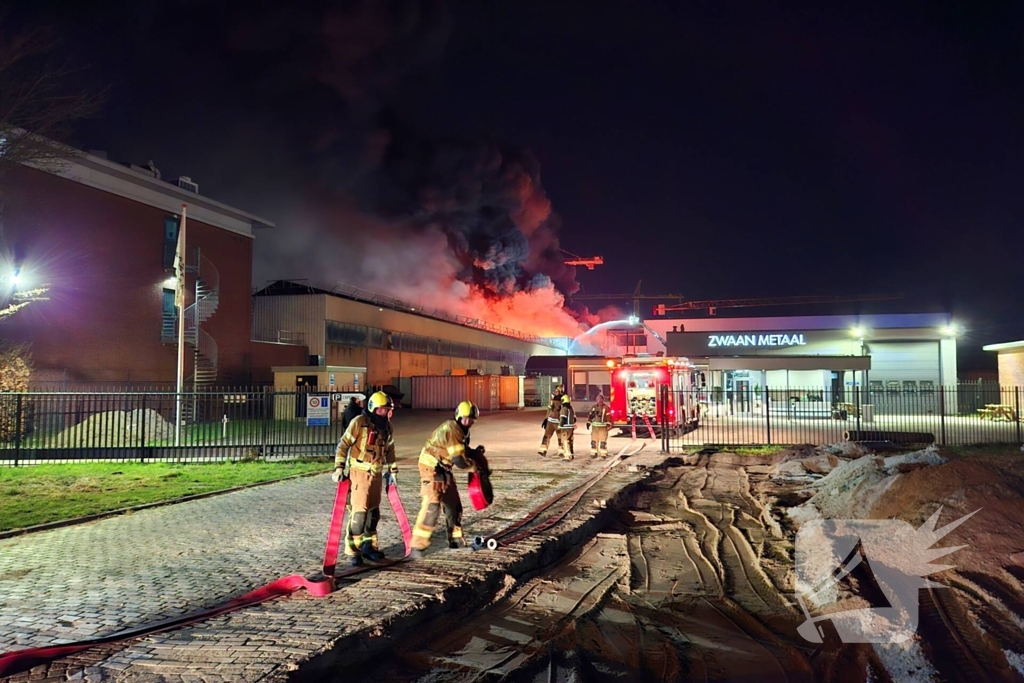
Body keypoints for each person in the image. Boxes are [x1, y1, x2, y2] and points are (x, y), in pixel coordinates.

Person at [409, 400, 485, 558]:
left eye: (471, 419)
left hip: (444, 469)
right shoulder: (452, 428)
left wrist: (474, 453)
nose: (468, 422)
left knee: (453, 506)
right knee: (432, 506)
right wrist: (474, 467)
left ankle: (456, 541)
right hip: (431, 468)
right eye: (465, 419)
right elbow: (459, 460)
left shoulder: (462, 431)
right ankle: (417, 546)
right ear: (458, 417)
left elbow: (462, 451)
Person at [331, 391, 398, 567]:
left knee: (373, 514)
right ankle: (354, 551)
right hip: (359, 474)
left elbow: (390, 450)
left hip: (376, 476)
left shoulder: (387, 428)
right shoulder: (359, 423)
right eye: (382, 409)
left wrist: (393, 471)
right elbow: (343, 445)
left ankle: (370, 548)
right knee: (359, 515)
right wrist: (339, 468)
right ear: (373, 408)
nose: (385, 413)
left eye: (387, 410)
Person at [538, 391, 562, 456]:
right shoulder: (562, 404)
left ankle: (543, 450)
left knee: (546, 436)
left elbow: (548, 412)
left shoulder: (552, 403)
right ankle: (561, 451)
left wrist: (546, 419)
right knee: (560, 438)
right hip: (558, 423)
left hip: (550, 422)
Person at [557, 394, 576, 461]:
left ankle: (567, 456)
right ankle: (572, 454)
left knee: (565, 441)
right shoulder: (571, 409)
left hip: (565, 428)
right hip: (571, 428)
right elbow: (574, 419)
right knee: (570, 441)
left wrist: (559, 426)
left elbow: (563, 419)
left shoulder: (564, 409)